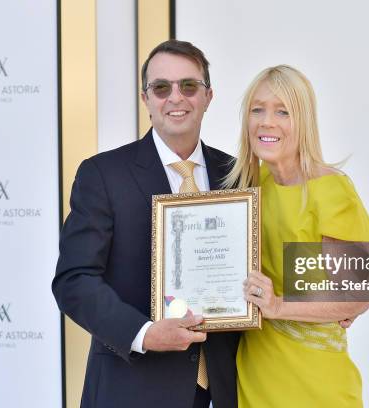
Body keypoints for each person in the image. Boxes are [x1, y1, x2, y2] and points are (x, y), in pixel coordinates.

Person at [52, 40, 239, 408]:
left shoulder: (236, 174)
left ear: (208, 96)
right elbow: (74, 281)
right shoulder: (103, 175)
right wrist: (144, 333)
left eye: (189, 86)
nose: (176, 98)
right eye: (161, 87)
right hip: (132, 389)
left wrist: (337, 298)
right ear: (146, 98)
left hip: (224, 390)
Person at [224, 65, 369, 407]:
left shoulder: (330, 191)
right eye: (257, 109)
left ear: (303, 121)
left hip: (314, 380)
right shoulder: (251, 187)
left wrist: (277, 305)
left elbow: (356, 296)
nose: (267, 121)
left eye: (283, 111)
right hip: (254, 376)